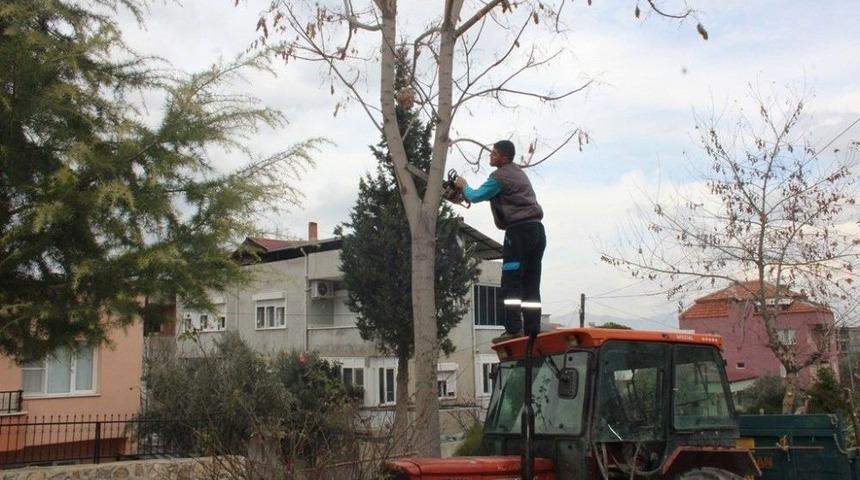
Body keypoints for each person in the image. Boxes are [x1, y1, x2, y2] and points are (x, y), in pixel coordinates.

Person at [454, 140, 545, 343]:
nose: (490, 156)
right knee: (531, 282)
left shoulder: (499, 177)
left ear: (503, 157)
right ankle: (532, 329)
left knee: (511, 282)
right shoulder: (519, 173)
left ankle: (513, 328)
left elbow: (476, 196)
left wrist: (463, 187)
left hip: (519, 232)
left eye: (493, 153)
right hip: (537, 231)